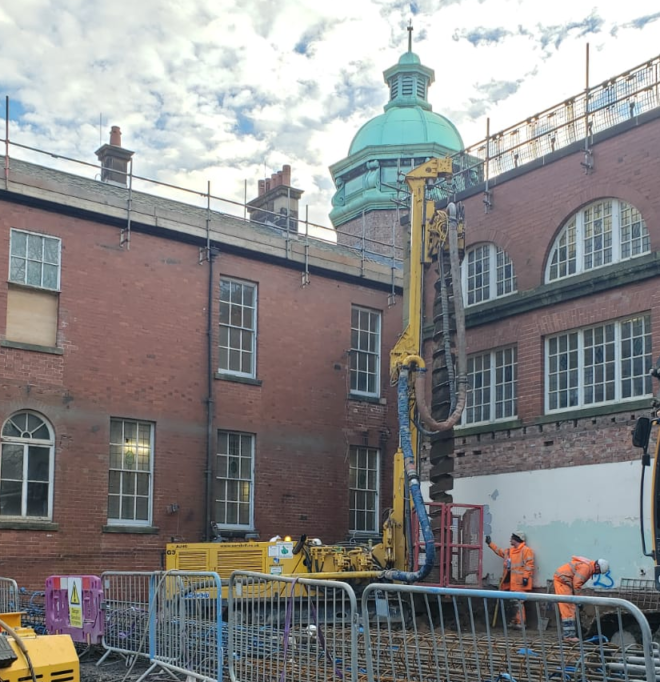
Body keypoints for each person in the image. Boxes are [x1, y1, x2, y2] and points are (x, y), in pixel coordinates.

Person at [485, 531, 535, 628]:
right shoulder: (510, 551)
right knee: (513, 602)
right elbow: (500, 552)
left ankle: (520, 623)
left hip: (520, 583)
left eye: (511, 538)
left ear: (516, 539)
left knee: (519, 602)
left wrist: (525, 577)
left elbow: (529, 565)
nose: (510, 540)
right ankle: (515, 621)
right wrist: (490, 544)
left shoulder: (526, 550)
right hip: (511, 582)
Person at [553, 556, 609, 639]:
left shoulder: (588, 566)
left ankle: (568, 634)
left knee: (569, 608)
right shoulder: (586, 568)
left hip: (565, 582)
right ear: (597, 567)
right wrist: (579, 600)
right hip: (563, 582)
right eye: (598, 572)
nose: (597, 574)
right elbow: (577, 584)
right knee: (568, 608)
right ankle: (569, 636)